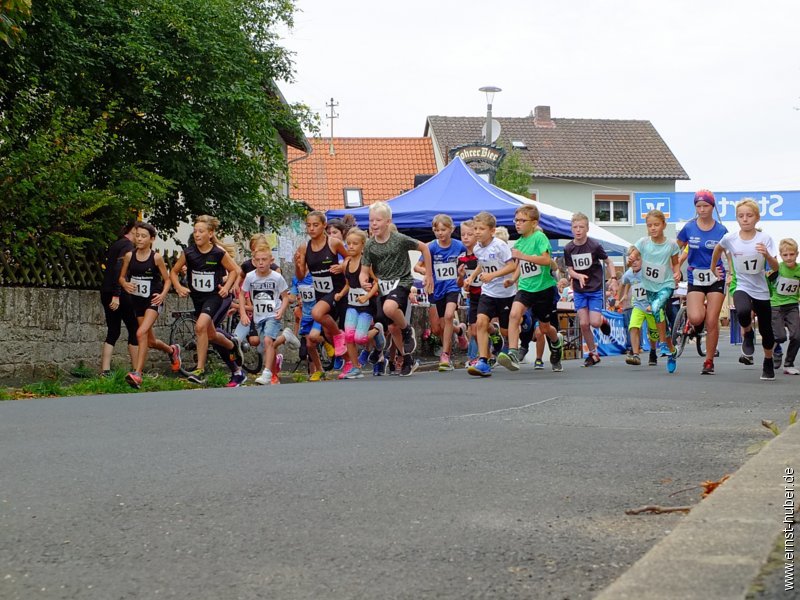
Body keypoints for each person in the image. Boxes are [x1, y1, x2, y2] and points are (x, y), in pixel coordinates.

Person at [360, 201, 433, 377]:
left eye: (378, 220)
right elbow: (364, 270)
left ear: (387, 221)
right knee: (392, 329)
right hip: (384, 286)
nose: (374, 224)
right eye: (371, 221)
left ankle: (408, 330)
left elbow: (424, 247)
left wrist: (428, 274)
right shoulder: (370, 245)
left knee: (389, 308)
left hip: (402, 281)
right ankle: (407, 359)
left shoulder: (399, 239)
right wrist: (363, 281)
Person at [170, 215, 243, 385]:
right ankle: (232, 345)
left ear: (210, 234)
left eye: (201, 231)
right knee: (210, 334)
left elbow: (234, 271)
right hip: (198, 298)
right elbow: (173, 271)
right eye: (195, 231)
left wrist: (226, 287)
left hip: (214, 296)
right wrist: (179, 287)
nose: (197, 234)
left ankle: (199, 369)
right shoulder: (188, 253)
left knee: (200, 326)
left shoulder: (218, 253)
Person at [711, 198, 779, 380]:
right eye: (741, 216)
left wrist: (766, 255)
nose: (745, 219)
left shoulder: (765, 239)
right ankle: (747, 332)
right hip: (742, 285)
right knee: (742, 311)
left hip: (761, 289)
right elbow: (717, 250)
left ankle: (768, 361)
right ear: (737, 219)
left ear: (757, 218)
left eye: (749, 215)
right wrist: (714, 268)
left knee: (766, 331)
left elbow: (776, 267)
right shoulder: (730, 238)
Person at [497, 204, 564, 372]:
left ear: (533, 223)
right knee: (514, 314)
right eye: (516, 220)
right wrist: (513, 280)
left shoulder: (539, 238)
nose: (517, 224)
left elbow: (546, 260)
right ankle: (513, 352)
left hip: (544, 289)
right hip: (526, 288)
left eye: (522, 220)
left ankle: (556, 343)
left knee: (544, 328)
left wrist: (523, 256)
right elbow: (521, 265)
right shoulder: (519, 242)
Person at [118, 222, 181, 388]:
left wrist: (162, 295)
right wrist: (125, 285)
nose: (139, 239)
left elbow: (167, 280)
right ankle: (172, 351)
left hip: (153, 301)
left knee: (140, 333)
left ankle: (137, 373)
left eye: (143, 236)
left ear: (151, 239)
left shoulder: (156, 258)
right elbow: (122, 277)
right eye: (137, 235)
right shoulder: (129, 256)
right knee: (150, 341)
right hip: (137, 301)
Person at [676, 189, 728, 374]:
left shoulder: (721, 230)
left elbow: (730, 253)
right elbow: (676, 250)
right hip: (695, 277)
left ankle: (709, 360)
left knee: (712, 321)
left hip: (716, 277)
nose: (702, 209)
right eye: (699, 206)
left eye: (706, 206)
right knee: (696, 317)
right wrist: (675, 269)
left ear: (712, 207)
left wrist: (731, 274)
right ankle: (703, 310)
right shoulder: (689, 228)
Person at [464, 211, 517, 377]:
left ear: (492, 231)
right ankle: (483, 361)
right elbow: (482, 263)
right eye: (476, 229)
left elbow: (512, 267)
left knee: (507, 330)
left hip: (506, 293)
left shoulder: (500, 245)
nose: (477, 232)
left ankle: (507, 337)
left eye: (481, 229)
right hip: (488, 292)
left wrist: (492, 275)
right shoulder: (477, 247)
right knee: (480, 322)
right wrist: (472, 277)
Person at [564, 212, 617, 367]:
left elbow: (609, 262)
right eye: (575, 227)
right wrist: (578, 276)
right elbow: (570, 270)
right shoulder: (569, 248)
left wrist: (613, 279)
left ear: (587, 228)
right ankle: (593, 353)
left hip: (594, 289)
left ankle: (602, 320)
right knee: (584, 324)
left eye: (581, 227)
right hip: (579, 290)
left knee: (594, 322)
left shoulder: (594, 245)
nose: (578, 230)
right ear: (572, 229)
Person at [295, 211, 348, 357]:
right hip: (320, 292)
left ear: (324, 225)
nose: (311, 228)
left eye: (315, 225)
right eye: (308, 225)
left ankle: (339, 335)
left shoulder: (333, 243)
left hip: (337, 290)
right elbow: (300, 276)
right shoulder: (304, 247)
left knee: (316, 313)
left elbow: (351, 259)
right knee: (326, 333)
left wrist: (342, 266)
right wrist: (296, 264)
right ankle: (349, 363)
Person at [415, 214, 465, 371]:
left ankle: (445, 355)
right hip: (435, 288)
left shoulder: (459, 246)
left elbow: (470, 259)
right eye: (436, 230)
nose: (440, 233)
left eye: (443, 230)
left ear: (451, 229)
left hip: (452, 287)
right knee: (437, 328)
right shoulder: (431, 247)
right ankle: (460, 330)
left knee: (449, 316)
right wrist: (428, 272)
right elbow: (417, 267)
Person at [634, 209, 681, 373]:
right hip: (650, 286)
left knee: (656, 308)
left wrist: (677, 272)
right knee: (659, 316)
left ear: (664, 225)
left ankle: (662, 344)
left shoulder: (671, 245)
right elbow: (633, 255)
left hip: (666, 284)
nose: (652, 228)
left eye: (656, 225)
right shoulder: (643, 242)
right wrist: (632, 258)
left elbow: (676, 263)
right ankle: (671, 350)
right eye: (649, 226)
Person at [239, 245, 291, 386]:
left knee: (268, 341)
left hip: (273, 314)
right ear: (253, 262)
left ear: (271, 261)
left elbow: (285, 297)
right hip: (258, 316)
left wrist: (281, 310)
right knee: (264, 347)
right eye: (258, 260)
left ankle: (267, 373)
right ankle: (286, 337)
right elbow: (242, 295)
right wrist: (243, 313)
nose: (261, 262)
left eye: (264, 259)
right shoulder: (250, 277)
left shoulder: (277, 277)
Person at [339, 227, 382, 379]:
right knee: (349, 336)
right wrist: (340, 294)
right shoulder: (346, 263)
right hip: (352, 305)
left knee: (360, 338)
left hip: (366, 307)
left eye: (355, 243)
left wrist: (367, 296)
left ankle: (377, 330)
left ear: (363, 245)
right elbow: (348, 284)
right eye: (348, 243)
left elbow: (377, 282)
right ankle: (356, 367)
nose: (350, 246)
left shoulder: (367, 264)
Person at [99, 220, 139, 376]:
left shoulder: (117, 244)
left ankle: (105, 370)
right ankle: (136, 371)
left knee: (113, 330)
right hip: (119, 293)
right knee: (134, 329)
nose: (140, 238)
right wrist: (117, 295)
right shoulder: (128, 246)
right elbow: (118, 269)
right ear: (133, 231)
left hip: (106, 291)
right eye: (139, 233)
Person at [618, 247, 660, 366]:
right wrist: (619, 298)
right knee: (633, 326)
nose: (635, 262)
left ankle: (653, 351)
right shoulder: (628, 274)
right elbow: (623, 283)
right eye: (632, 260)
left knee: (653, 332)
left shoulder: (648, 272)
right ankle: (636, 354)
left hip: (651, 306)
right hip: (638, 305)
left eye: (638, 259)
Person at [768, 238, 800, 375]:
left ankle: (788, 363)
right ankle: (775, 351)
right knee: (780, 337)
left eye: (792, 254)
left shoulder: (799, 270)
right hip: (776, 306)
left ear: (797, 254)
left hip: (792, 306)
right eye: (785, 255)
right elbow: (766, 284)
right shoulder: (777, 269)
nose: (789, 258)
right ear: (781, 255)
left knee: (797, 336)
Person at [457, 220, 482, 366]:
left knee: (481, 326)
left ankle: (482, 355)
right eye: (463, 234)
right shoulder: (461, 258)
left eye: (469, 234)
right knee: (473, 330)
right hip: (472, 296)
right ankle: (482, 356)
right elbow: (459, 283)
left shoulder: (481, 255)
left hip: (486, 295)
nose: (465, 237)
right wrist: (461, 276)